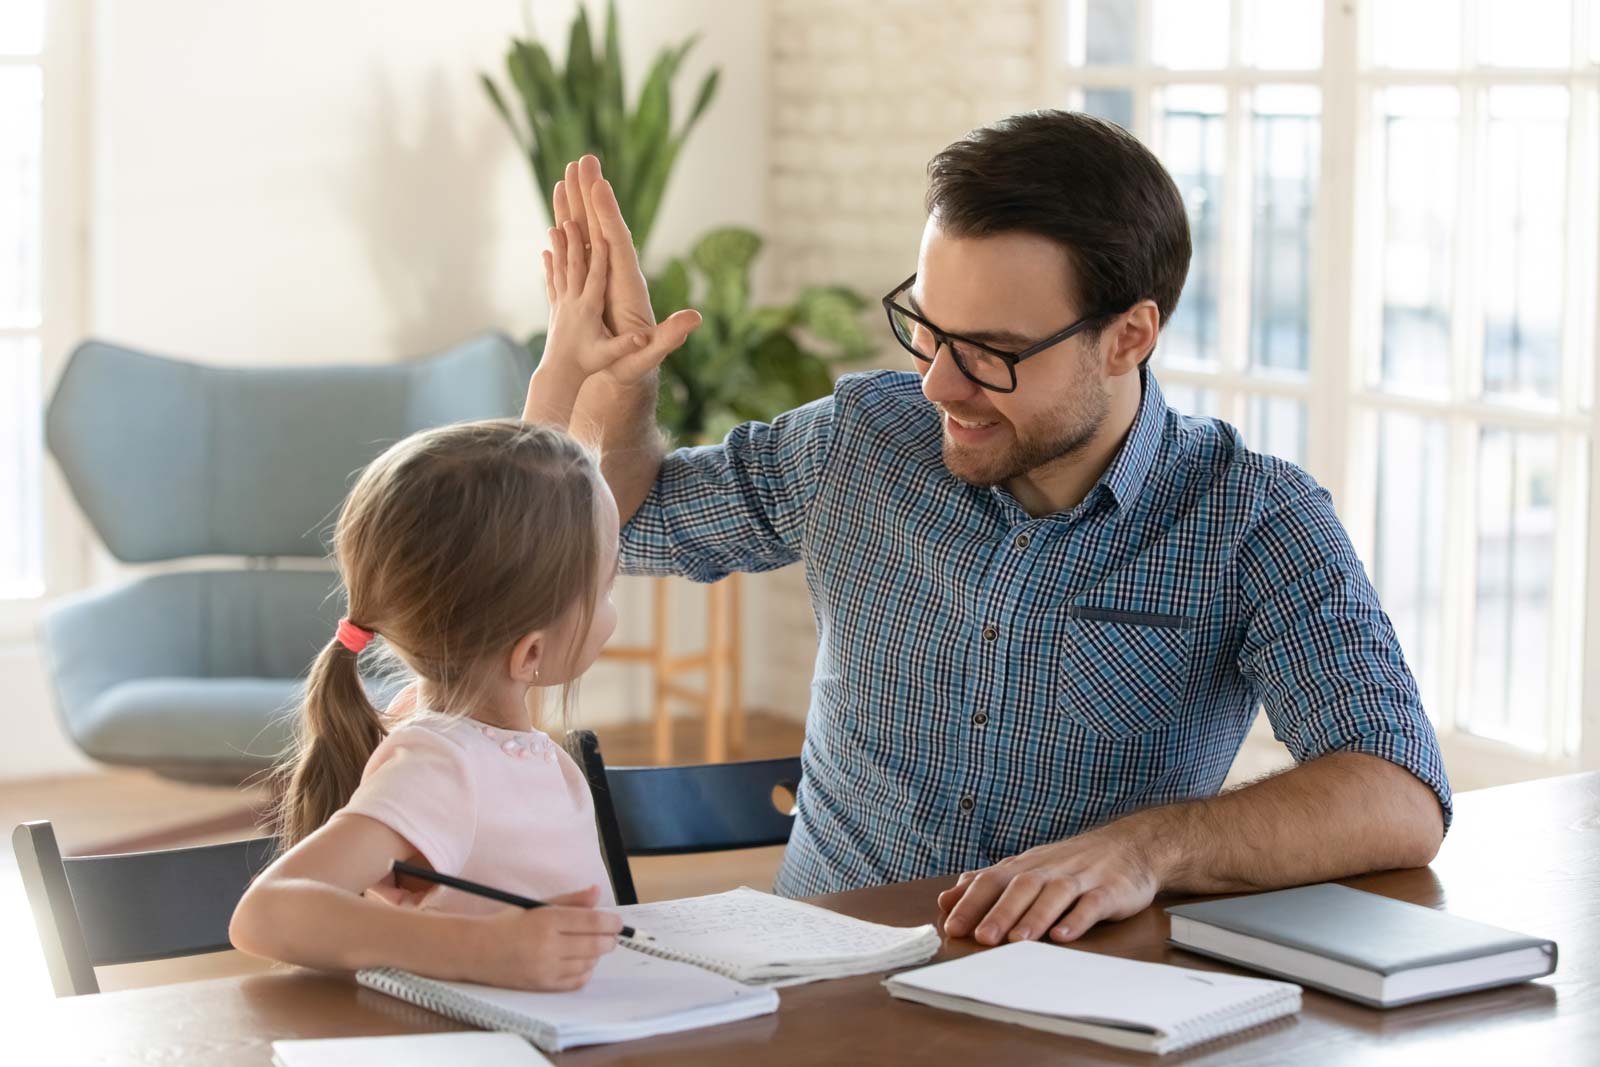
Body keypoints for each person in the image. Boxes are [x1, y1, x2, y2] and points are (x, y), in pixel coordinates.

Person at [538, 111, 1452, 950]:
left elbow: (1398, 794)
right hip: (827, 991)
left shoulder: (1252, 521)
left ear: (1129, 337)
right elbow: (629, 525)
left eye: (991, 353)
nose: (938, 383)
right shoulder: (861, 442)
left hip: (1077, 1003)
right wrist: (620, 388)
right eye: (929, 331)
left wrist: (1146, 848)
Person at [228, 219, 700, 989]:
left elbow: (516, 537)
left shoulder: (476, 726)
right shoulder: (440, 761)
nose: (612, 604)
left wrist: (565, 369)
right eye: (606, 584)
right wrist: (489, 951)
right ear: (530, 653)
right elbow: (268, 912)